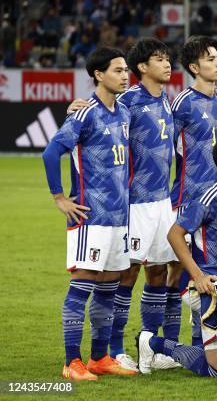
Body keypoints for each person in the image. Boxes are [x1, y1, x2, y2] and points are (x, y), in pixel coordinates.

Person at [67, 39, 181, 371]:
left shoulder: (167, 102)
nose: (167, 64)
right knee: (126, 272)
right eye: (160, 59)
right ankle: (114, 348)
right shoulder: (128, 99)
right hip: (133, 203)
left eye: (168, 58)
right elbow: (96, 120)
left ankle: (150, 345)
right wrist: (76, 109)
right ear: (142, 67)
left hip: (162, 203)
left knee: (158, 270)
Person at [42, 47, 137, 380]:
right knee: (82, 285)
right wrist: (59, 197)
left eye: (127, 70)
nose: (126, 75)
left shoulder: (123, 112)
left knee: (109, 287)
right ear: (99, 74)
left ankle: (99, 357)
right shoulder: (84, 113)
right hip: (89, 215)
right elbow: (51, 152)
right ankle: (71, 362)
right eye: (118, 70)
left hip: (118, 219)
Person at [137, 134, 217, 386]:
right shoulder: (211, 195)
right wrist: (198, 276)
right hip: (200, 285)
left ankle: (151, 343)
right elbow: (174, 234)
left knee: (211, 368)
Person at [171, 36, 217, 347]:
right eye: (210, 59)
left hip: (215, 202)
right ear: (194, 67)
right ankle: (158, 343)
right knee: (174, 277)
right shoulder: (182, 103)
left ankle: (198, 348)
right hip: (188, 199)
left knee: (205, 276)